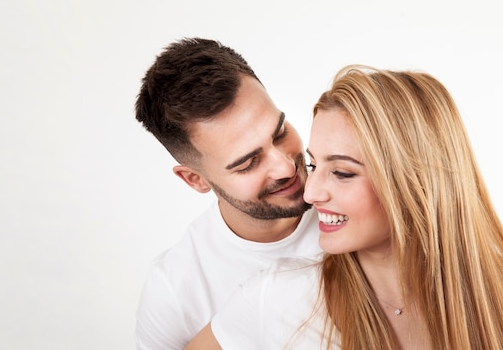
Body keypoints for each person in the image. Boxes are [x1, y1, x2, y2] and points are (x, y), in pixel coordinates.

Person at [184, 65, 503, 350]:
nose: (309, 193)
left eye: (341, 172)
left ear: (415, 180)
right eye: (312, 164)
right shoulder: (279, 299)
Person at [133, 37, 323, 349]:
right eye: (248, 163)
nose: (286, 168)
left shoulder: (360, 204)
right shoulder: (174, 290)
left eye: (280, 133)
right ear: (195, 179)